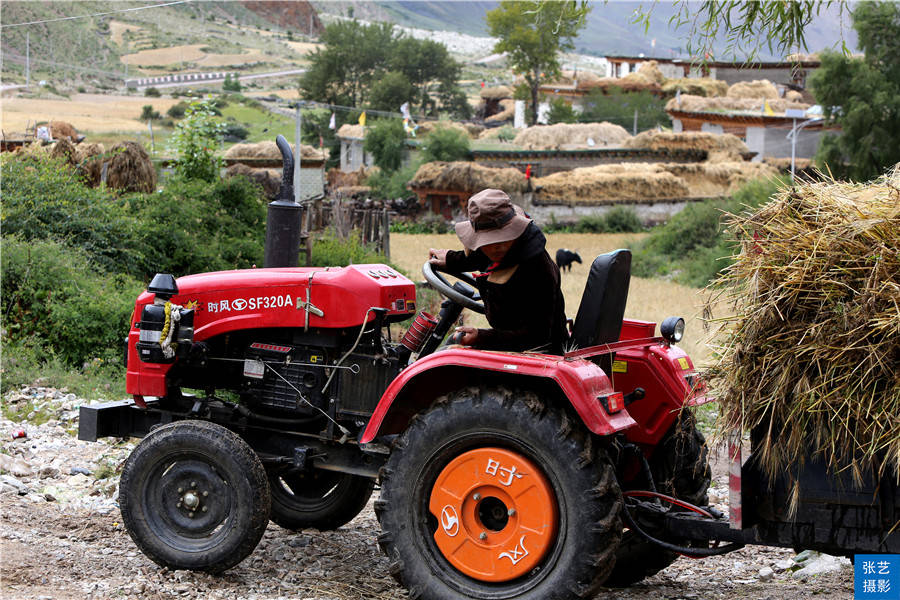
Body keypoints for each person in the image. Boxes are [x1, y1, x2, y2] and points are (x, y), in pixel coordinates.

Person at [428, 188, 568, 355]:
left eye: (503, 238)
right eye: (489, 240)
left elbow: (537, 336)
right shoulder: (503, 251)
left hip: (538, 354)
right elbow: (477, 257)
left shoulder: (538, 268)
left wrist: (481, 337)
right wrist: (450, 259)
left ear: (516, 230)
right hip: (509, 343)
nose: (497, 246)